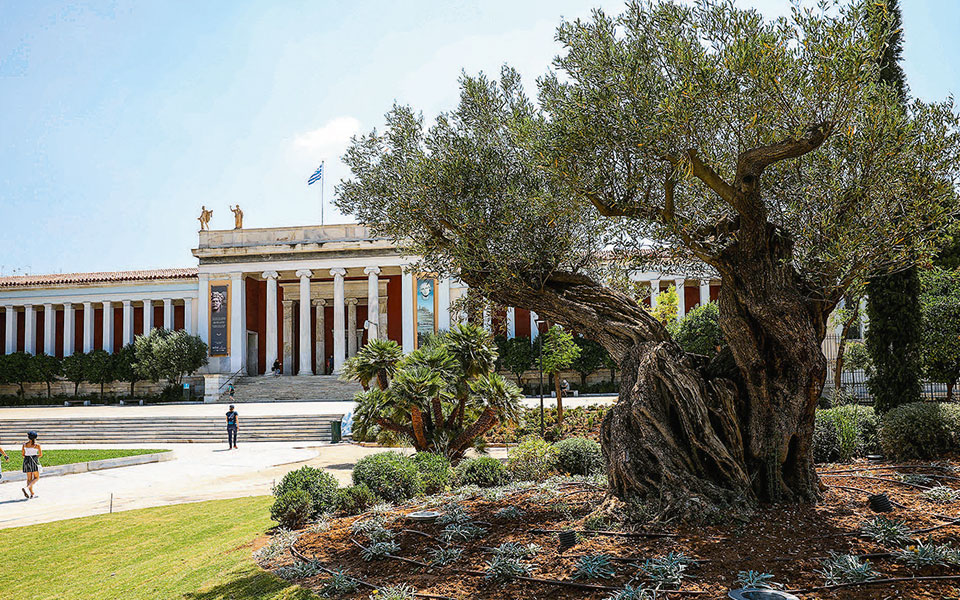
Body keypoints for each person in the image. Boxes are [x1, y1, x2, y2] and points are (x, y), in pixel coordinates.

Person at [21, 431, 41, 499]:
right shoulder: (37, 445)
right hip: (33, 460)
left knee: (29, 478)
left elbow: (23, 454)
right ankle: (27, 488)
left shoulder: (24, 444)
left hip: (26, 460)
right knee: (36, 477)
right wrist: (35, 456)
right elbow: (40, 455)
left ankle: (32, 493)